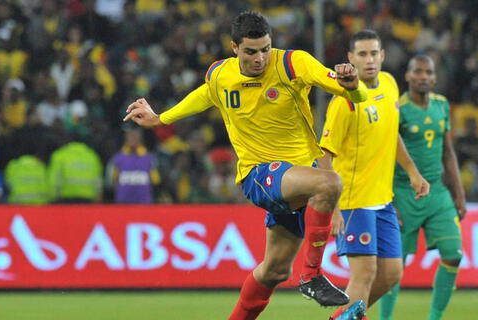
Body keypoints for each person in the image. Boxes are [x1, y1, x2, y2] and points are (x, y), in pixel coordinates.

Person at [124, 11, 369, 320]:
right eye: (251, 51)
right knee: (329, 182)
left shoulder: (294, 64)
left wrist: (353, 84)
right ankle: (311, 274)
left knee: (274, 272)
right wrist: (160, 118)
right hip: (257, 175)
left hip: (293, 179)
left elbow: (353, 94)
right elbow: (205, 95)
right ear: (234, 48)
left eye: (265, 49)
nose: (260, 58)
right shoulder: (220, 74)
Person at [318, 30, 430, 320]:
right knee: (365, 273)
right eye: (362, 54)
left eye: (374, 53)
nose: (369, 60)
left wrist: (413, 172)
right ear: (351, 59)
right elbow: (325, 156)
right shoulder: (344, 101)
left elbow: (391, 134)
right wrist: (333, 209)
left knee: (392, 273)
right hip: (354, 200)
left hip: (383, 200)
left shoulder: (391, 85)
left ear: (382, 55)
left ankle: (346, 316)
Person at [378, 55, 467, 320]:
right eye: (418, 71)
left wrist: (459, 194)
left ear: (435, 77)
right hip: (403, 193)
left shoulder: (441, 105)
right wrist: (389, 199)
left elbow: (448, 152)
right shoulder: (399, 108)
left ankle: (434, 318)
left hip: (437, 192)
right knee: (394, 268)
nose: (424, 76)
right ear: (407, 75)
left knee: (454, 255)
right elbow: (385, 153)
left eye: (429, 72)